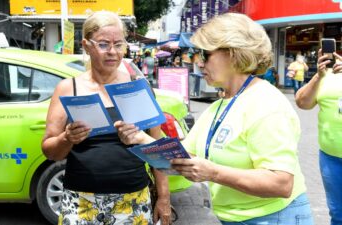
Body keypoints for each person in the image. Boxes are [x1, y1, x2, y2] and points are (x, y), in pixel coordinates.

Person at [115, 13, 314, 225]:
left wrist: (213, 173)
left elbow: (280, 183)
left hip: (273, 218)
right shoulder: (221, 104)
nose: (199, 63)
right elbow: (185, 158)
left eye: (205, 54)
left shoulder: (266, 103)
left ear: (233, 54)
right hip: (236, 218)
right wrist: (140, 138)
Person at [41, 11, 171, 225]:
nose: (112, 52)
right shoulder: (68, 89)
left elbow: (157, 148)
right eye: (103, 44)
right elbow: (50, 151)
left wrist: (164, 199)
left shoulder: (137, 86)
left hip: (133, 200)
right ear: (86, 45)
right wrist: (67, 138)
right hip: (81, 202)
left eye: (119, 44)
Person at [295, 49, 342, 225]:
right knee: (338, 213)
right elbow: (302, 102)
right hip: (331, 158)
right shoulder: (326, 75)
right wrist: (318, 75)